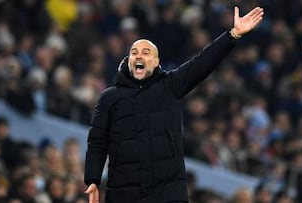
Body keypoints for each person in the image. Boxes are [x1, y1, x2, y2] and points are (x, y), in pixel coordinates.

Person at [84, 6, 264, 203]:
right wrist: (92, 180)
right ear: (128, 61)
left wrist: (233, 35)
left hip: (168, 193)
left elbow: (202, 63)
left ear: (156, 61)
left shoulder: (170, 85)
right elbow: (97, 142)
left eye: (146, 52)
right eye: (134, 52)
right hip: (125, 194)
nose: (139, 56)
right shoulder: (109, 97)